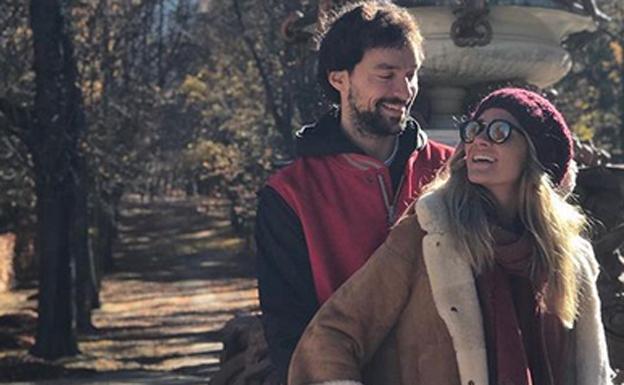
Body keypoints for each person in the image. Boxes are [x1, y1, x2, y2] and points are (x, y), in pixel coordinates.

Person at [288, 88, 612, 385]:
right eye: (473, 129)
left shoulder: (568, 260)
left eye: (499, 132)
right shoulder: (430, 232)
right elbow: (332, 335)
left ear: (536, 155)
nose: (478, 141)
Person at [255, 1, 453, 381]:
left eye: (411, 74)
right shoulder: (289, 194)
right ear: (339, 78)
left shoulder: (450, 170)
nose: (404, 90)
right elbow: (289, 331)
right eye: (386, 74)